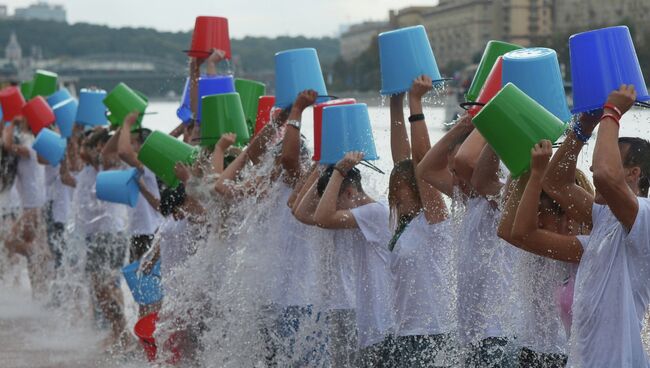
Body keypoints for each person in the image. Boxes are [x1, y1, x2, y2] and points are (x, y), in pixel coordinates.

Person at [508, 85, 650, 367]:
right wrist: (583, 129)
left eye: (612, 158)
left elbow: (605, 177)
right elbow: (556, 183)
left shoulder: (645, 217)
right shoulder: (604, 224)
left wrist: (612, 112)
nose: (595, 170)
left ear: (634, 174)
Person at [497, 145, 594, 367]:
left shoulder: (588, 246)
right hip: (533, 348)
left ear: (568, 216)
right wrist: (525, 171)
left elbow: (517, 233)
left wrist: (538, 174)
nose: (536, 225)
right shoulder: (551, 245)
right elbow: (506, 229)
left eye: (541, 217)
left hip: (566, 354)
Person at [388, 76, 457, 367]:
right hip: (405, 334)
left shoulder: (434, 221)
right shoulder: (402, 225)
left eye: (397, 191)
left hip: (435, 333)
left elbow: (422, 160)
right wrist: (396, 102)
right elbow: (402, 159)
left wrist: (416, 104)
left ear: (417, 189)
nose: (392, 197)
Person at [313, 151, 394, 367]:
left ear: (349, 193)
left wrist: (339, 172)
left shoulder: (376, 212)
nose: (334, 209)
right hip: (373, 326)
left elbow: (322, 218)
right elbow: (307, 214)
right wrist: (323, 166)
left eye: (335, 203)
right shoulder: (365, 217)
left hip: (381, 327)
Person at [72, 128, 130, 350]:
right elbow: (83, 151)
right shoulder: (91, 166)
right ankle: (119, 332)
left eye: (96, 145)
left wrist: (122, 125)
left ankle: (123, 333)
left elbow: (98, 152)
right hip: (98, 234)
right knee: (100, 287)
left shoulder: (109, 163)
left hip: (111, 232)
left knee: (108, 286)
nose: (92, 149)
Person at [2, 116, 52, 298]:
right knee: (28, 245)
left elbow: (7, 145)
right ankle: (38, 294)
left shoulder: (31, 144)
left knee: (10, 241)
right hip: (31, 204)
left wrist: (10, 122)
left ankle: (42, 256)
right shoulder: (30, 142)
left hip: (34, 205)